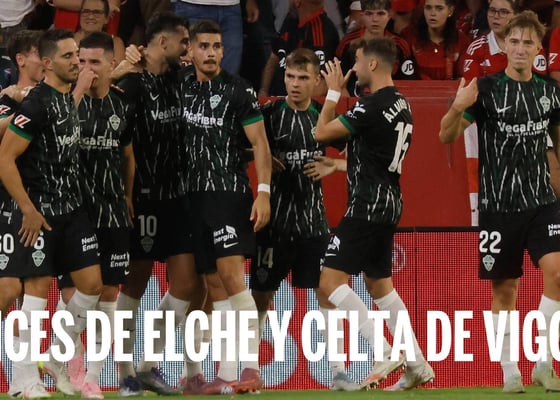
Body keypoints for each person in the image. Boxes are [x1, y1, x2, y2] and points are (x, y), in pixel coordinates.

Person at [439, 10, 560, 393]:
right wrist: (457, 105)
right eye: (515, 41)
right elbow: (445, 136)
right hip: (498, 205)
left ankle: (543, 362)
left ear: (539, 49)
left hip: (542, 200)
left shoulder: (549, 92)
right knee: (505, 290)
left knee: (558, 273)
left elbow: (557, 143)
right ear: (504, 45)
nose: (521, 48)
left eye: (528, 42)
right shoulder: (485, 88)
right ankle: (510, 371)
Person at [314, 38, 434, 391]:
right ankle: (417, 364)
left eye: (356, 60)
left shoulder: (371, 105)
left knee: (329, 281)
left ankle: (383, 351)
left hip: (367, 203)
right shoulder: (401, 103)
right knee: (379, 285)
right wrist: (340, 163)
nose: (353, 67)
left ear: (373, 64)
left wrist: (332, 93)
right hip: (390, 201)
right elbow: (366, 152)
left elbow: (320, 132)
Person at [0, 28, 104, 398]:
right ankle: (23, 380)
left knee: (92, 284)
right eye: (68, 56)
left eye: (77, 54)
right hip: (39, 212)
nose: (76, 61)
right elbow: (5, 159)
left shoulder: (66, 99)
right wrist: (27, 209)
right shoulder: (35, 105)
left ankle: (58, 354)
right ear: (46, 63)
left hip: (72, 209)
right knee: (34, 293)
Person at [249, 48, 358, 391]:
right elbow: (238, 144)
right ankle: (249, 368)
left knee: (328, 293)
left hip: (314, 225)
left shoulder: (324, 118)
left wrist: (334, 165)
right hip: (274, 226)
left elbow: (363, 159)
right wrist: (260, 154)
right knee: (260, 297)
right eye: (290, 77)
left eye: (303, 78)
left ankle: (338, 371)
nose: (295, 84)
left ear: (316, 82)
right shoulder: (268, 113)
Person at [113, 12, 201, 397]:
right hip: (142, 198)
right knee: (134, 283)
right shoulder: (130, 85)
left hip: (178, 197)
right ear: (163, 42)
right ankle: (125, 373)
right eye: (183, 42)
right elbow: (120, 146)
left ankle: (149, 364)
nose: (187, 50)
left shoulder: (178, 79)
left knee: (186, 283)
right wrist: (124, 194)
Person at [181, 19, 271, 394]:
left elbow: (260, 143)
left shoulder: (238, 90)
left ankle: (250, 368)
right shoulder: (181, 86)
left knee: (232, 278)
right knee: (212, 285)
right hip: (192, 197)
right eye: (203, 46)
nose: (211, 53)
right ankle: (221, 372)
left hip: (229, 193)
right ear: (190, 50)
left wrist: (263, 191)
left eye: (217, 46)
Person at [51, 31, 135, 399]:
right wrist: (78, 93)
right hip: (75, 211)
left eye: (94, 62)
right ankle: (68, 364)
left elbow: (128, 156)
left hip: (113, 211)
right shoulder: (66, 102)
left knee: (109, 296)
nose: (85, 68)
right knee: (77, 294)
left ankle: (91, 377)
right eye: (80, 61)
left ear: (111, 65)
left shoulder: (122, 104)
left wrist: (127, 197)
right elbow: (53, 139)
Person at [259, 0, 340, 97]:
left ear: (297, 2)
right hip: (276, 98)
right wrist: (263, 91)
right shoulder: (290, 20)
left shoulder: (321, 32)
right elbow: (274, 58)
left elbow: (322, 84)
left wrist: (291, 102)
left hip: (299, 101)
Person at [336, 0, 416, 96]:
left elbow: (409, 83)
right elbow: (338, 81)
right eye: (369, 14)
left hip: (390, 100)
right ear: (362, 15)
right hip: (355, 100)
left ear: (389, 15)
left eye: (380, 13)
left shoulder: (400, 45)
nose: (375, 19)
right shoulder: (347, 43)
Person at [174, 0, 259, 74]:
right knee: (192, 63)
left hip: (231, 7)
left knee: (232, 61)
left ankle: (222, 88)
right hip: (192, 5)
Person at [401, 0, 470, 79]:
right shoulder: (409, 36)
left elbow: (463, 78)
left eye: (439, 8)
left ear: (450, 11)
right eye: (428, 8)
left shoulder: (461, 40)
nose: (432, 13)